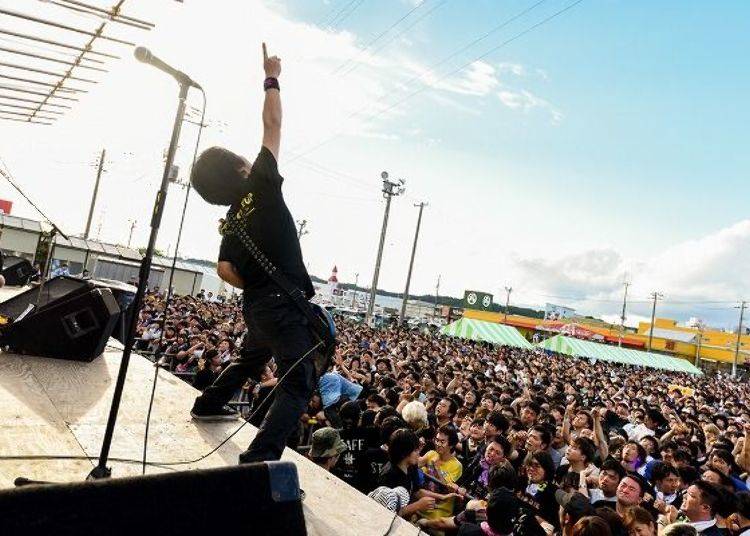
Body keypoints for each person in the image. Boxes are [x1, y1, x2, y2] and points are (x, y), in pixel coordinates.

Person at [189, 43, 324, 464]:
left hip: (257, 307)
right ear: (239, 167)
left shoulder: (230, 219)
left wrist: (259, 283)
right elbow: (273, 123)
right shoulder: (260, 184)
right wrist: (271, 76)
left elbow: (224, 269)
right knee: (297, 383)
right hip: (282, 307)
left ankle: (209, 404)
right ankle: (259, 457)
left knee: (251, 357)